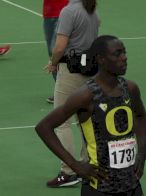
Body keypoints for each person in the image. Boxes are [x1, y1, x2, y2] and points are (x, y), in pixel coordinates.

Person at [36, 35, 146, 196]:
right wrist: (75, 165)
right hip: (99, 187)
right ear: (101, 59)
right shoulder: (85, 96)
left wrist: (142, 154)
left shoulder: (130, 88)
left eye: (124, 52)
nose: (124, 58)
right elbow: (44, 127)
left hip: (131, 184)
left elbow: (140, 116)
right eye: (117, 54)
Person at [43, 0, 100, 187]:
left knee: (61, 121)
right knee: (86, 120)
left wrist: (53, 62)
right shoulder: (92, 11)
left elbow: (60, 47)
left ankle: (68, 171)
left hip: (70, 70)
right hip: (90, 71)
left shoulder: (69, 11)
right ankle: (89, 165)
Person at [43, 0, 69, 104]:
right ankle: (62, 90)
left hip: (62, 13)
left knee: (57, 51)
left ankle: (64, 92)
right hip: (50, 14)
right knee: (53, 52)